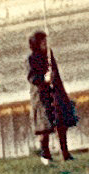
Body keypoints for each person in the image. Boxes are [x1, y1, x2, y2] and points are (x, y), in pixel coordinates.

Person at [26, 30, 77, 163]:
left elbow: (56, 74)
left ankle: (65, 153)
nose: (45, 44)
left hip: (54, 93)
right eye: (42, 42)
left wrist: (60, 91)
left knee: (61, 123)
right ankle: (45, 155)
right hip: (41, 96)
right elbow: (32, 78)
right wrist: (44, 78)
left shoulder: (48, 55)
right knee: (44, 126)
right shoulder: (31, 59)